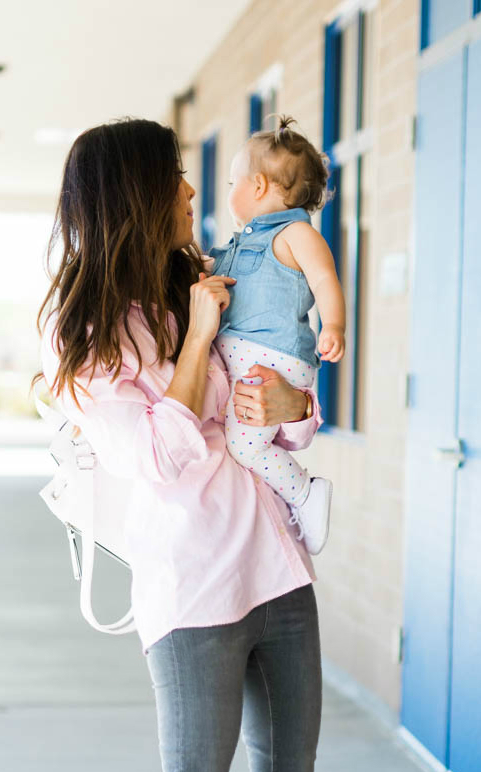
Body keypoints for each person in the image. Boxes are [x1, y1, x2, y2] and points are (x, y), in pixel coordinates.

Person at [35, 118, 324, 772]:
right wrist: (200, 339)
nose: (196, 195)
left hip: (276, 568)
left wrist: (283, 392)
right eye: (177, 180)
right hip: (192, 589)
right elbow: (168, 460)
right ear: (132, 192)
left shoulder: (209, 276)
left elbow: (281, 410)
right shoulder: (86, 334)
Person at [208, 115, 346, 556]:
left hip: (273, 359)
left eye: (233, 181)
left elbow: (325, 280)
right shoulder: (236, 245)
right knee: (243, 442)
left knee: (245, 447)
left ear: (261, 187)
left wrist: (334, 325)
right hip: (251, 359)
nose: (228, 192)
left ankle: (305, 493)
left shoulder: (295, 233)